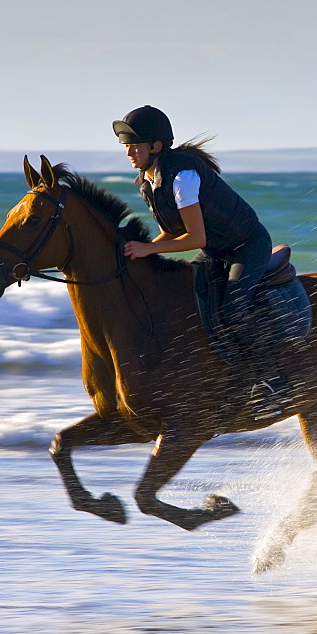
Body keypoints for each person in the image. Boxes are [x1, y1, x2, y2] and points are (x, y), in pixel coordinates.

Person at [112, 105, 284, 419]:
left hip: (246, 246)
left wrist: (147, 250)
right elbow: (170, 232)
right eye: (126, 145)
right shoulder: (147, 181)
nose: (128, 151)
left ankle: (269, 382)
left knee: (232, 309)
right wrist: (139, 251)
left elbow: (195, 239)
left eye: (134, 145)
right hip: (219, 250)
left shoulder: (183, 176)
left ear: (156, 147)